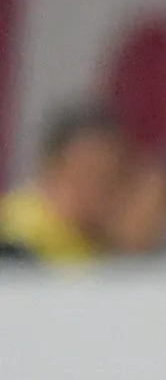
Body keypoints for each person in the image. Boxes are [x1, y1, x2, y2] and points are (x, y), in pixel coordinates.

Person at [0, 104, 133, 265]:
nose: (99, 190)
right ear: (51, 168)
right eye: (88, 173)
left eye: (111, 177)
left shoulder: (106, 240)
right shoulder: (12, 236)